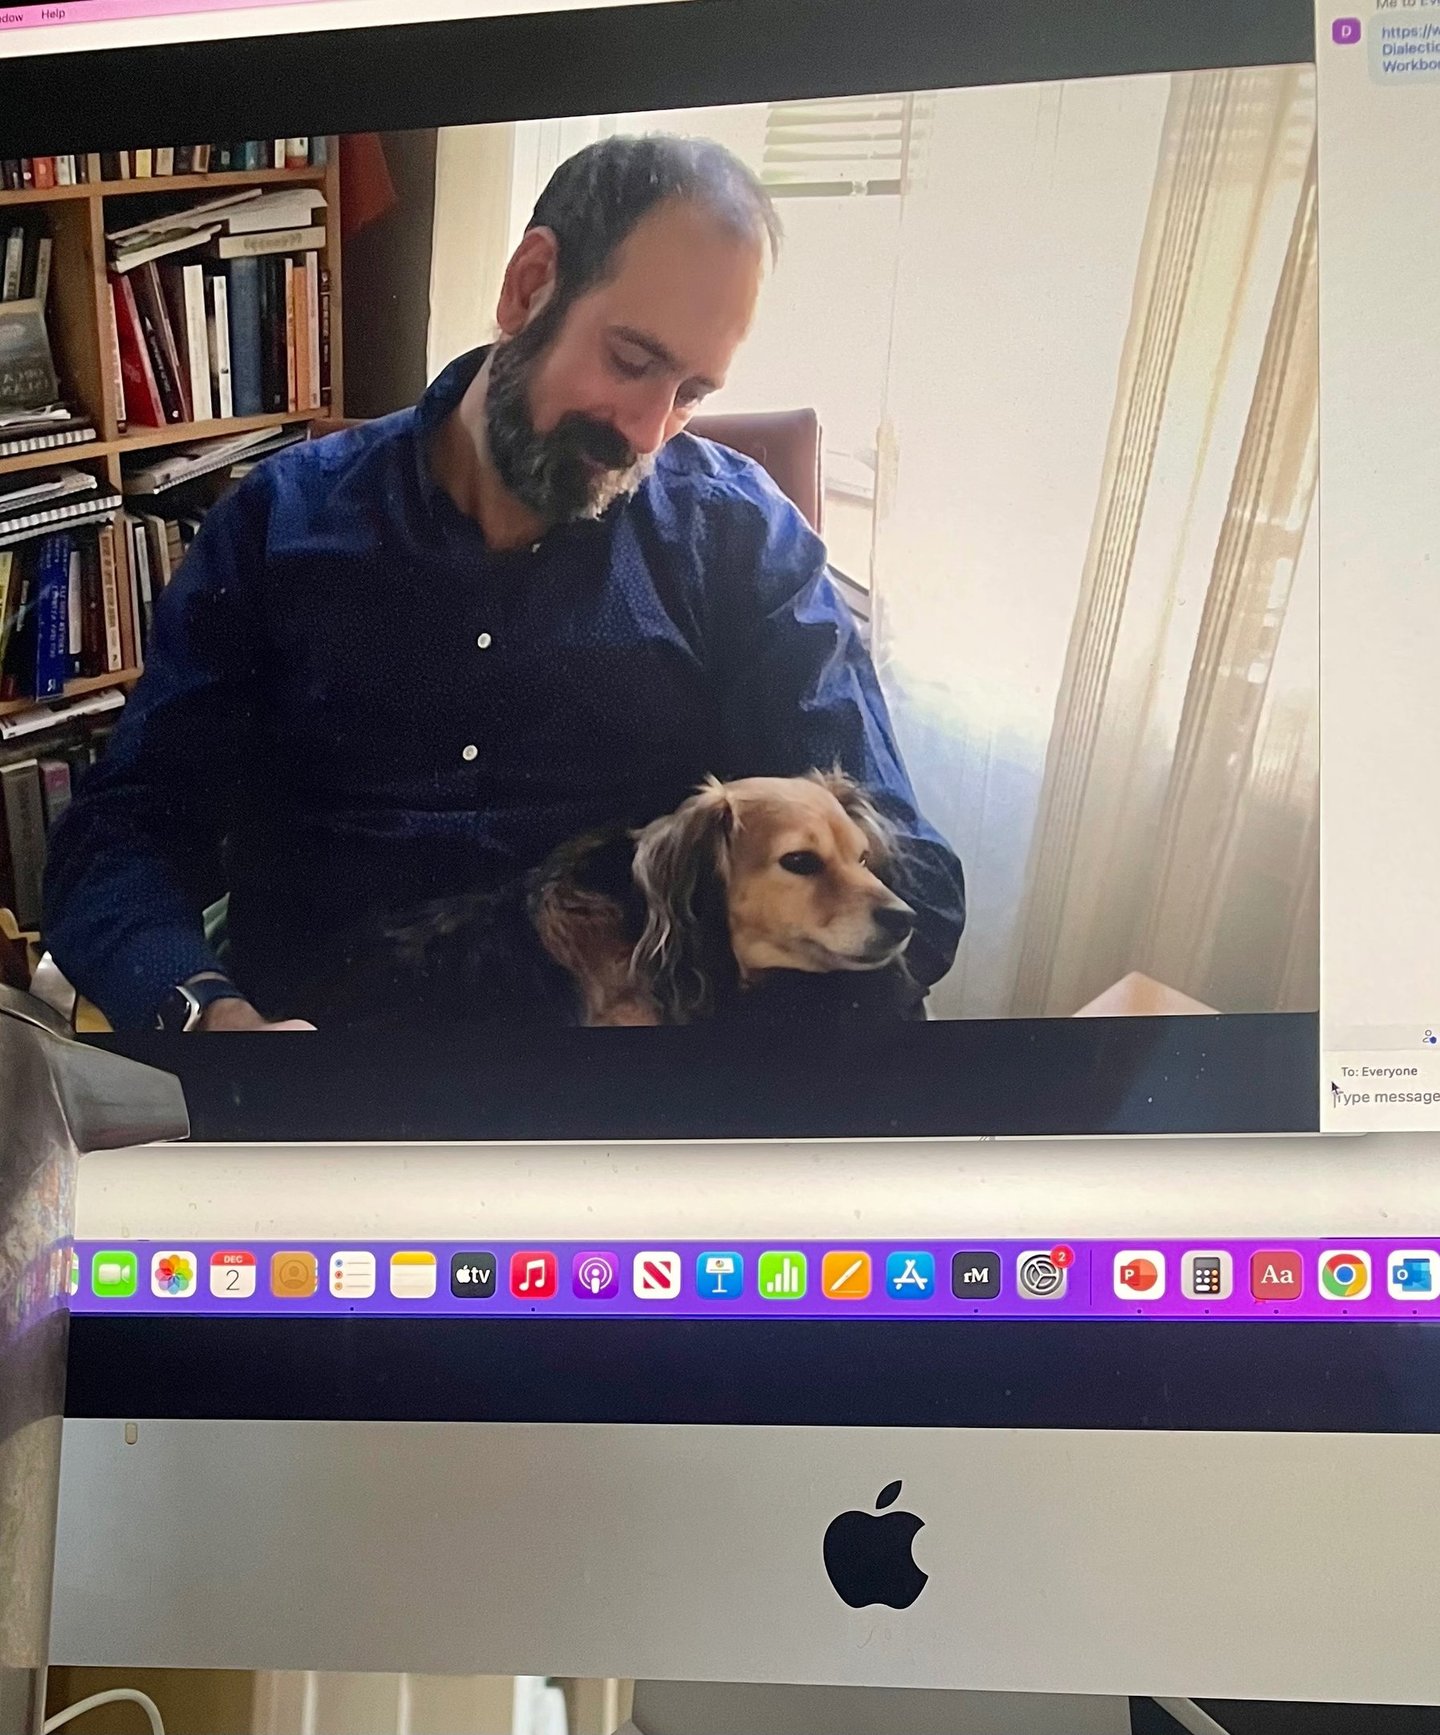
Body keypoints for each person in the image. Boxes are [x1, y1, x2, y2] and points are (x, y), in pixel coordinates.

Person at [42, 134, 964, 1033]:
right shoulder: (282, 522)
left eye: (691, 393)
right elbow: (122, 839)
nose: (647, 432)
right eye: (633, 361)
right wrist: (208, 1016)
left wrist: (721, 1025)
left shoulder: (741, 539)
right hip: (321, 1052)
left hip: (632, 1072)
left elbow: (910, 871)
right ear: (530, 285)